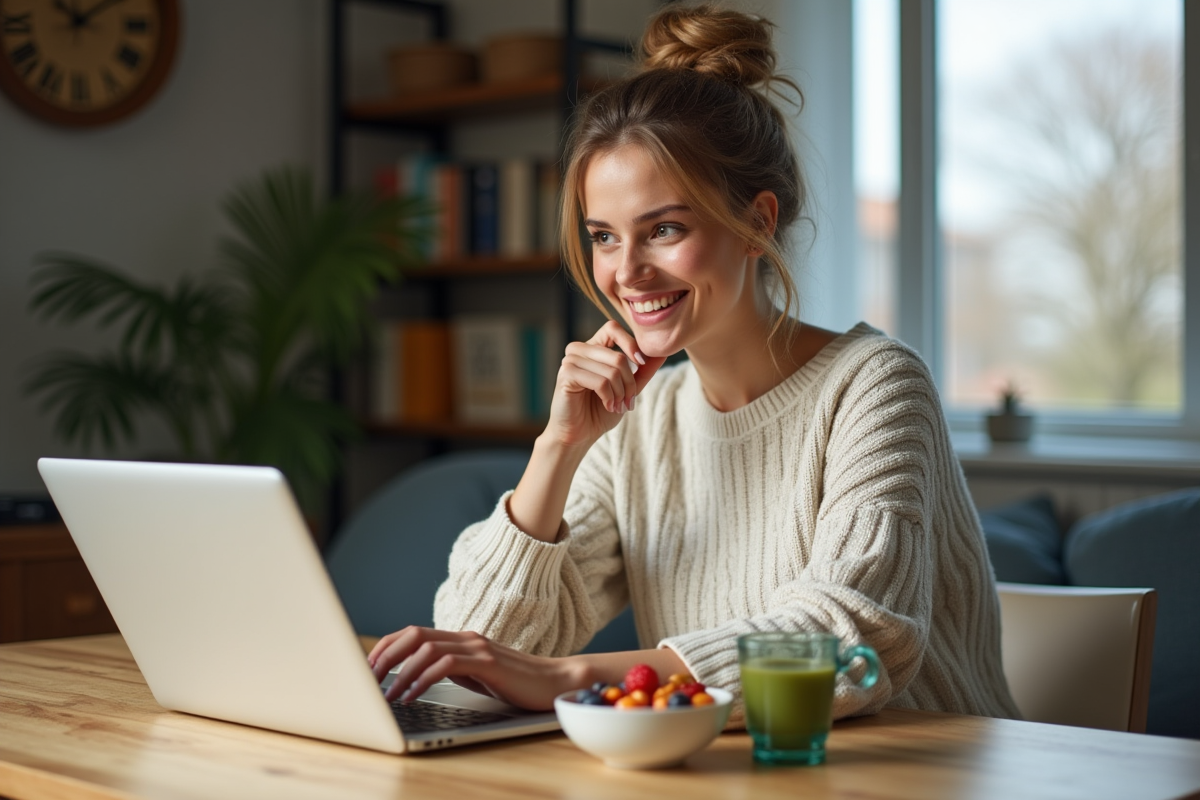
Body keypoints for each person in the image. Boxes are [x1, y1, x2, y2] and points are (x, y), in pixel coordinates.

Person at [369, 3, 1020, 725]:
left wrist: (572, 678)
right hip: (732, 767)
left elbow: (849, 641)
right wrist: (557, 448)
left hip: (916, 763)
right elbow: (482, 647)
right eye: (604, 237)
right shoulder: (639, 418)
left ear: (757, 223)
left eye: (664, 229)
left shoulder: (875, 384)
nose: (627, 272)